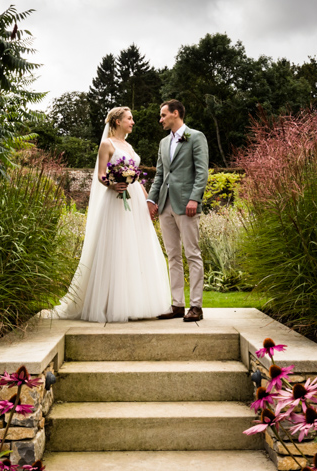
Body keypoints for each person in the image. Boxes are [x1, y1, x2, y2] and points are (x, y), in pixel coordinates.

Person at [40, 107, 172, 322]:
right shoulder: (107, 144)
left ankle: (136, 301)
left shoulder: (128, 145)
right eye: (130, 118)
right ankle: (111, 303)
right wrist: (112, 184)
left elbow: (136, 178)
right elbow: (101, 174)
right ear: (118, 121)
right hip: (115, 199)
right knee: (117, 247)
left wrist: (148, 199)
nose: (133, 122)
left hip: (135, 199)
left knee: (136, 247)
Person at [147, 99, 209, 322]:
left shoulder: (196, 137)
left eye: (163, 115)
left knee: (192, 253)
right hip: (165, 205)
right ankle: (177, 305)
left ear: (175, 114)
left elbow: (202, 172)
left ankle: (196, 306)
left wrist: (194, 198)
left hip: (187, 205)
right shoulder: (164, 143)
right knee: (173, 256)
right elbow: (160, 175)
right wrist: (151, 201)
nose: (160, 119)